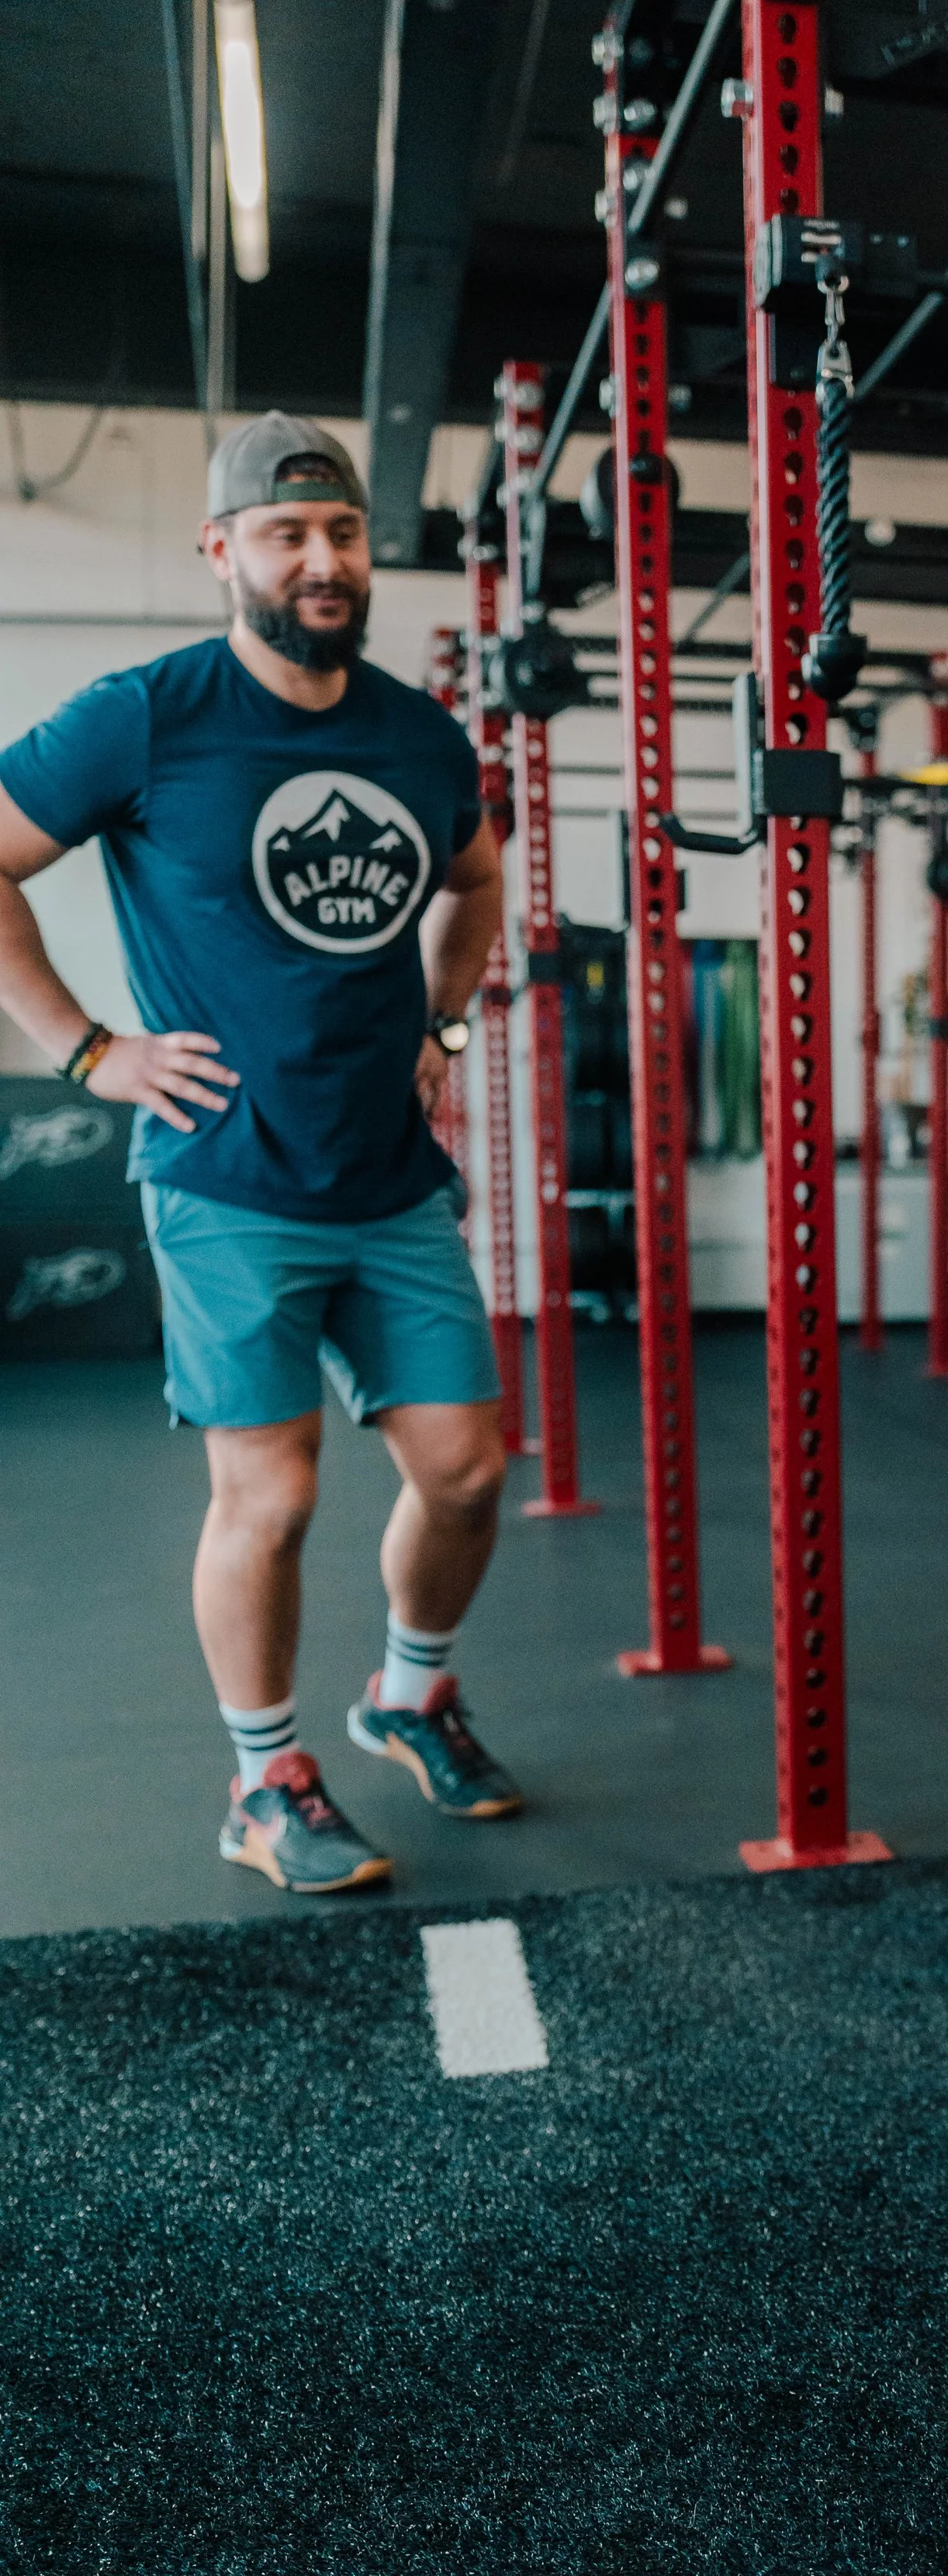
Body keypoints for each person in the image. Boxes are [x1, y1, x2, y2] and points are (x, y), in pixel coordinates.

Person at [0, 412, 521, 1896]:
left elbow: (475, 885)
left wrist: (445, 1018)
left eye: (343, 533)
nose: (322, 560)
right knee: (272, 1498)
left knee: (468, 1471)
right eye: (287, 535)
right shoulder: (148, 716)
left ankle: (408, 1696)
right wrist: (88, 1049)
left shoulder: (419, 738)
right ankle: (263, 1777)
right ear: (224, 551)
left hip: (386, 1175)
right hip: (225, 1177)